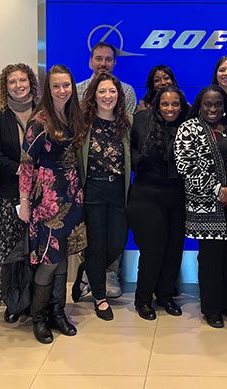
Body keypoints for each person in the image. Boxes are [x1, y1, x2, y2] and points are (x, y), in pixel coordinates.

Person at [18, 64, 87, 343]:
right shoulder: (40, 121)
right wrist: (24, 203)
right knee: (48, 260)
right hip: (47, 199)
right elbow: (26, 164)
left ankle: (58, 313)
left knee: (62, 258)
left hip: (72, 196)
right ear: (48, 89)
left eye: (66, 85)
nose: (62, 90)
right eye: (56, 86)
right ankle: (39, 318)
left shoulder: (73, 116)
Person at [174, 85, 227, 329]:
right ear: (200, 105)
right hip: (206, 206)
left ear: (225, 106)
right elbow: (185, 165)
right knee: (211, 259)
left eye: (218, 104)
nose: (213, 109)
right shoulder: (189, 128)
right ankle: (212, 309)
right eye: (207, 104)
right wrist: (219, 190)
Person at [75, 42, 136, 297]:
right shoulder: (78, 95)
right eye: (98, 58)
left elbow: (130, 140)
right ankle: (97, 285)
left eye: (108, 59)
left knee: (117, 239)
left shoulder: (127, 99)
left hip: (118, 185)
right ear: (90, 61)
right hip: (92, 185)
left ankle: (98, 272)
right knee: (94, 237)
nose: (103, 63)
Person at [0, 63, 39, 322]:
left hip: (41, 193)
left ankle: (36, 300)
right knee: (9, 250)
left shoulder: (43, 113)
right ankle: (13, 302)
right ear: (5, 87)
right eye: (12, 82)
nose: (18, 86)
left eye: (22, 80)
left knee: (35, 249)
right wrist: (23, 172)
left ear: (31, 83)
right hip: (8, 194)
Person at [129, 86, 190, 320]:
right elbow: (128, 150)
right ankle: (143, 300)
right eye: (165, 104)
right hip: (147, 195)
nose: (170, 108)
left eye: (175, 104)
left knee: (174, 250)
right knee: (152, 251)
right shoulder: (141, 121)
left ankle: (165, 296)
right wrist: (141, 159)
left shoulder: (188, 125)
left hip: (177, 196)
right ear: (157, 105)